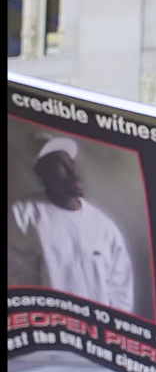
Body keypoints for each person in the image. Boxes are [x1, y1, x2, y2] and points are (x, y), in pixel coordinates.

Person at [8, 134, 134, 313]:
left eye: (71, 163)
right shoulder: (24, 214)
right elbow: (19, 280)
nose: (72, 171)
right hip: (50, 324)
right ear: (43, 174)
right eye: (60, 164)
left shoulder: (105, 227)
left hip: (96, 327)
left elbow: (121, 292)